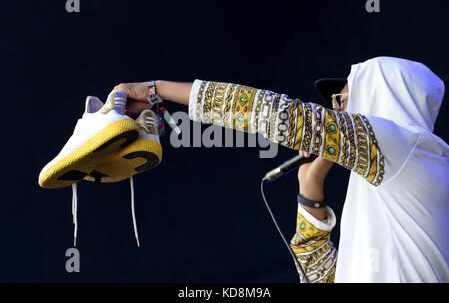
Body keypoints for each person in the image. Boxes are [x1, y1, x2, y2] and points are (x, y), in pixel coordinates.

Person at [111, 56, 449, 282]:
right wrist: (310, 190)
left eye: (342, 102)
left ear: (385, 97)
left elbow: (277, 115)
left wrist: (155, 90)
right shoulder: (394, 180)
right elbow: (320, 275)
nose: (334, 114)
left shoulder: (414, 151)